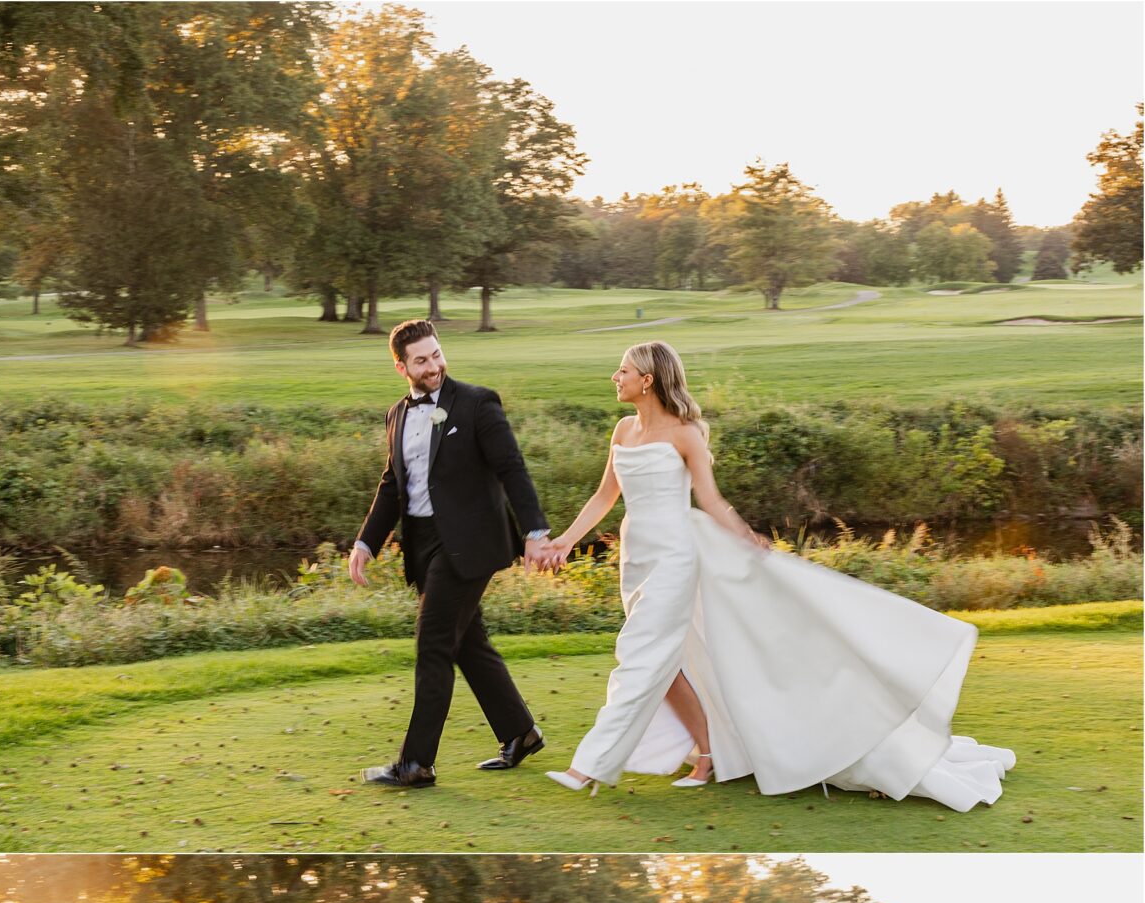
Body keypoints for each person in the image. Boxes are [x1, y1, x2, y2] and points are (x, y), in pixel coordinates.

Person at [541, 342, 1015, 811]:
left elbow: (709, 498)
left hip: (674, 558)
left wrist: (746, 536)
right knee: (667, 666)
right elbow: (605, 497)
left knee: (638, 656)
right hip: (636, 559)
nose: (614, 377)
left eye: (622, 370)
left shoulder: (687, 434)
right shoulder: (623, 430)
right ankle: (706, 758)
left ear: (647, 379)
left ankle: (589, 766)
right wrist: (565, 540)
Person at [350, 320, 552, 787]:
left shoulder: (478, 403)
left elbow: (511, 469)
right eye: (421, 360)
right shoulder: (396, 414)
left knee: (434, 642)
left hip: (471, 542)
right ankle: (520, 732)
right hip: (423, 544)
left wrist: (535, 531)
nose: (434, 366)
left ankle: (416, 763)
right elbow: (391, 485)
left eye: (437, 354)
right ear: (401, 366)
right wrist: (366, 542)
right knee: (467, 642)